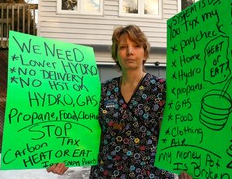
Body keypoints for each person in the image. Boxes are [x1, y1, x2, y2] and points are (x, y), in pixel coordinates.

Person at [47, 25, 192, 179]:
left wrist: (186, 164)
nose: (130, 51)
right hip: (106, 173)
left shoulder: (162, 89)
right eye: (123, 47)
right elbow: (87, 132)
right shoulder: (102, 91)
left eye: (136, 46)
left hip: (152, 174)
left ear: (144, 53)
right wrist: (66, 155)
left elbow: (174, 133)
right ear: (116, 54)